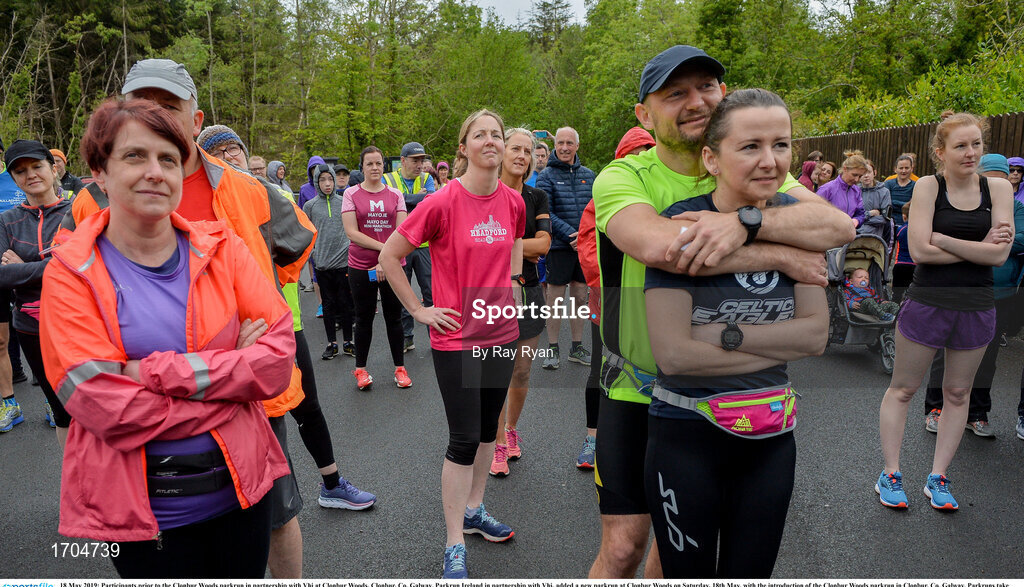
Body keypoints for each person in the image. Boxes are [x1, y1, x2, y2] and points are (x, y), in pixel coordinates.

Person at [590, 45, 853, 580]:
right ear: (644, 114)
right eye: (675, 94)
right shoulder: (625, 177)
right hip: (635, 386)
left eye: (707, 87)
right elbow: (663, 246)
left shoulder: (759, 177)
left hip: (724, 391)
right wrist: (779, 249)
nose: (696, 101)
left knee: (675, 555)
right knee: (623, 548)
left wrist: (746, 221)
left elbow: (837, 228)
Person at [63, 58, 316, 578]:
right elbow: (93, 389)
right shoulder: (86, 212)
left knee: (276, 511)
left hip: (258, 409)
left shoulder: (246, 191)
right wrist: (230, 362)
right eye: (142, 107)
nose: (154, 168)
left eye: (169, 108)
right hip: (162, 463)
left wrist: (146, 370)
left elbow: (293, 254)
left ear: (196, 121)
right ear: (104, 166)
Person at [643, 88, 828, 578]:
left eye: (782, 145)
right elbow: (674, 356)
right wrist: (774, 341)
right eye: (750, 146)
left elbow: (815, 337)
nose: (770, 161)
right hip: (686, 435)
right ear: (711, 158)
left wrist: (720, 336)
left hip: (771, 439)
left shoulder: (798, 223)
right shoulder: (682, 222)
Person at [198, 125, 376, 513]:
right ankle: (274, 508)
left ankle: (331, 484)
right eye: (219, 152)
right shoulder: (205, 203)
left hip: (285, 322)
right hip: (236, 335)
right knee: (261, 421)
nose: (231, 157)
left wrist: (270, 275)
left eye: (234, 149)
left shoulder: (266, 194)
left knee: (307, 405)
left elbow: (298, 240)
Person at [379, 109, 524, 579]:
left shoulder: (514, 202)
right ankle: (453, 541)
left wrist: (514, 296)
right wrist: (420, 310)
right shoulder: (441, 202)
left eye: (496, 134)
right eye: (478, 134)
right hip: (457, 339)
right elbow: (390, 256)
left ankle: (475, 510)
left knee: (488, 433)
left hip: (501, 335)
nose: (490, 140)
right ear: (463, 148)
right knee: (463, 439)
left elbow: (514, 252)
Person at [875, 113, 1013, 512]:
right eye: (960, 146)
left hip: (977, 306)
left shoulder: (998, 188)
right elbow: (919, 253)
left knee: (957, 393)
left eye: (976, 144)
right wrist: (978, 247)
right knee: (903, 389)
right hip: (927, 302)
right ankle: (891, 473)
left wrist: (944, 239)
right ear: (941, 152)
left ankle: (938, 478)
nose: (970, 153)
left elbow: (1000, 254)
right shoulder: (929, 188)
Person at [922, 153, 1023, 438]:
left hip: (998, 293)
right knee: (944, 352)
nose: (998, 186)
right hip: (951, 289)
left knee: (987, 356)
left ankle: (977, 412)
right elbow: (927, 241)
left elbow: (1012, 242)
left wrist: (956, 244)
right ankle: (936, 408)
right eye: (991, 179)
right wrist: (982, 244)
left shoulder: (1016, 207)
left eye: (1003, 181)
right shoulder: (959, 199)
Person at [0, 140, 73, 441]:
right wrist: (51, 263)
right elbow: (2, 278)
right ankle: (74, 487)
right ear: (13, 178)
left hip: (75, 324)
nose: (30, 175)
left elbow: (79, 267)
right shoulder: (6, 221)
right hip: (31, 327)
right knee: (59, 411)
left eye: (36, 166)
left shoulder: (76, 210)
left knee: (92, 407)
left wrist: (21, 267)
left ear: (52, 167)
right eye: (20, 171)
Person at [489, 128, 551, 477]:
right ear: (502, 150)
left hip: (529, 290)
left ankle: (511, 429)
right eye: (516, 148)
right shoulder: (486, 193)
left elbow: (543, 245)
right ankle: (496, 443)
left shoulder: (536, 196)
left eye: (527, 151)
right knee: (497, 370)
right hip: (492, 293)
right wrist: (519, 242)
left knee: (522, 370)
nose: (522, 156)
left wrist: (506, 243)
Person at [341, 146, 410, 390]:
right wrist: (384, 253)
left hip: (393, 266)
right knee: (363, 318)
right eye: (369, 163)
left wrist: (386, 259)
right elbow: (352, 233)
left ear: (384, 166)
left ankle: (400, 368)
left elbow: (402, 232)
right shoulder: (351, 193)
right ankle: (360, 370)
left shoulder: (395, 194)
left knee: (395, 318)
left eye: (378, 163)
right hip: (360, 265)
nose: (374, 168)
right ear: (362, 167)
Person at [537, 126, 594, 369]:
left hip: (583, 247)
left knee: (581, 296)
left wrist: (583, 236)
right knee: (555, 298)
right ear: (555, 145)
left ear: (577, 146)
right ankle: (552, 348)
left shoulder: (590, 175)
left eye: (569, 143)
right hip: (559, 246)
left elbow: (596, 209)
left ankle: (577, 347)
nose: (564, 147)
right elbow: (545, 212)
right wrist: (570, 233)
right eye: (560, 143)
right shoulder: (546, 176)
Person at [384, 141, 436, 352]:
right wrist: (417, 198)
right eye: (415, 160)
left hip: (424, 244)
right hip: (399, 244)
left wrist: (405, 200)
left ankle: (435, 336)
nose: (420, 165)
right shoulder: (389, 178)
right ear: (403, 160)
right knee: (403, 292)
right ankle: (407, 336)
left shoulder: (427, 177)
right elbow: (390, 204)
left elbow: (431, 203)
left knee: (431, 293)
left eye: (422, 160)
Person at [302, 163, 356, 360]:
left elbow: (354, 227)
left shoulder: (344, 202)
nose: (327, 184)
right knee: (328, 304)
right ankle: (331, 344)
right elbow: (306, 231)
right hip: (322, 264)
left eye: (330, 179)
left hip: (344, 262)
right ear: (316, 182)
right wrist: (313, 253)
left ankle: (348, 342)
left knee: (346, 303)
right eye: (322, 180)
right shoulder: (310, 206)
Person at [817, 150, 867, 228]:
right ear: (845, 169)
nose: (857, 179)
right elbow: (814, 214)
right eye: (854, 175)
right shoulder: (827, 189)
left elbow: (860, 214)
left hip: (847, 235)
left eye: (860, 176)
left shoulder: (856, 191)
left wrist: (856, 221)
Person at [858, 160, 892, 240]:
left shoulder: (884, 192)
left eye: (869, 172)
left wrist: (860, 219)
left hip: (876, 239)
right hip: (855, 235)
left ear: (874, 173)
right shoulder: (854, 191)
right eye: (863, 173)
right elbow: (850, 216)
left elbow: (884, 219)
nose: (866, 175)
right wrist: (870, 214)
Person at [884, 154, 916, 223]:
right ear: (895, 169)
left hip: (908, 222)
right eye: (901, 168)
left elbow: (914, 207)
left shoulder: (916, 186)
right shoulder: (888, 184)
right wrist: (905, 205)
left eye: (906, 168)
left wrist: (894, 203)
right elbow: (885, 204)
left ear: (912, 169)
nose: (903, 171)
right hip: (889, 221)